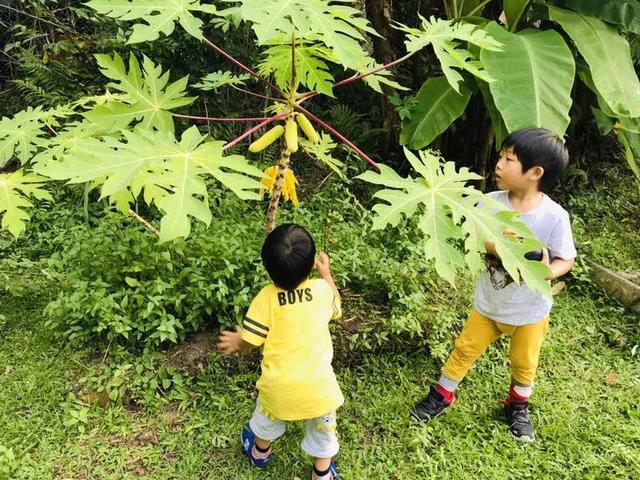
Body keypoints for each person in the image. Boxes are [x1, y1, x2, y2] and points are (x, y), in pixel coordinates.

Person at [411, 128, 577, 443]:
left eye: (508, 159)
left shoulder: (554, 217)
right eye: (500, 156)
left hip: (530, 311)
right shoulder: (486, 203)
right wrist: (499, 247)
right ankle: (443, 394)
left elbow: (565, 260)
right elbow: (471, 238)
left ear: (535, 173)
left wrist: (545, 271)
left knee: (524, 363)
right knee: (464, 349)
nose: (498, 164)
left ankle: (517, 405)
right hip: (489, 303)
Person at [217, 224, 343, 479]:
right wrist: (327, 276)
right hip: (321, 390)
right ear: (310, 266)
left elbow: (252, 339)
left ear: (268, 269)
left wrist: (238, 341)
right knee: (324, 430)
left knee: (267, 417)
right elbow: (337, 308)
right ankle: (322, 474)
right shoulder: (321, 291)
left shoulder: (266, 298)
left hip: (279, 387)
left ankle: (260, 452)